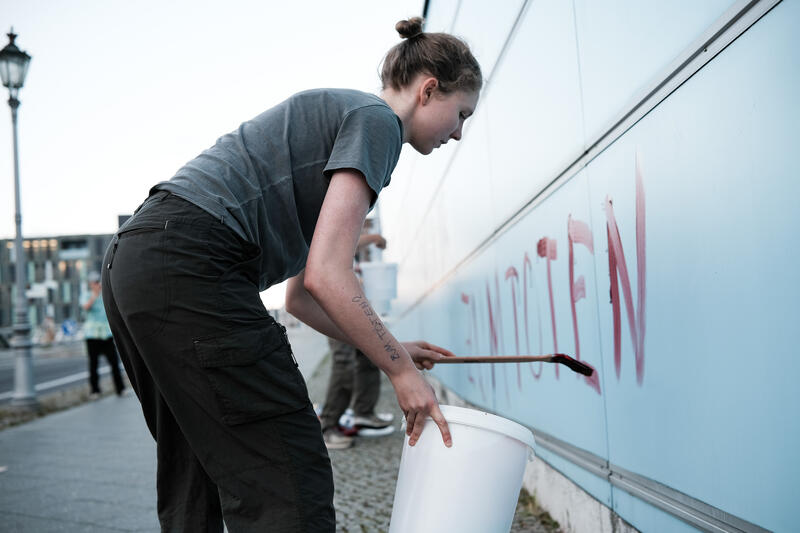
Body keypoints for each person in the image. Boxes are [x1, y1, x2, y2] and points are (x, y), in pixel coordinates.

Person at [102, 16, 481, 532]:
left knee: (195, 474)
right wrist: (400, 370)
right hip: (190, 261)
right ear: (429, 89)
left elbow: (303, 297)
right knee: (286, 470)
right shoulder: (377, 124)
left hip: (136, 263)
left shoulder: (345, 123)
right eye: (461, 113)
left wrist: (390, 346)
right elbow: (329, 274)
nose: (458, 133)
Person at [320, 227, 393, 450]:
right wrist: (373, 238)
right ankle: (327, 427)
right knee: (345, 363)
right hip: (333, 304)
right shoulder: (327, 212)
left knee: (368, 355)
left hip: (350, 302)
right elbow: (337, 239)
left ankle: (363, 412)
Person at [80, 271, 125, 398]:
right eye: (94, 282)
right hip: (92, 335)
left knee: (115, 363)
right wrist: (94, 295)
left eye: (98, 282)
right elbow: (86, 307)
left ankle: (120, 389)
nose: (97, 285)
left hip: (106, 333)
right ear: (90, 284)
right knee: (93, 364)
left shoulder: (104, 295)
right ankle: (95, 390)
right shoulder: (86, 295)